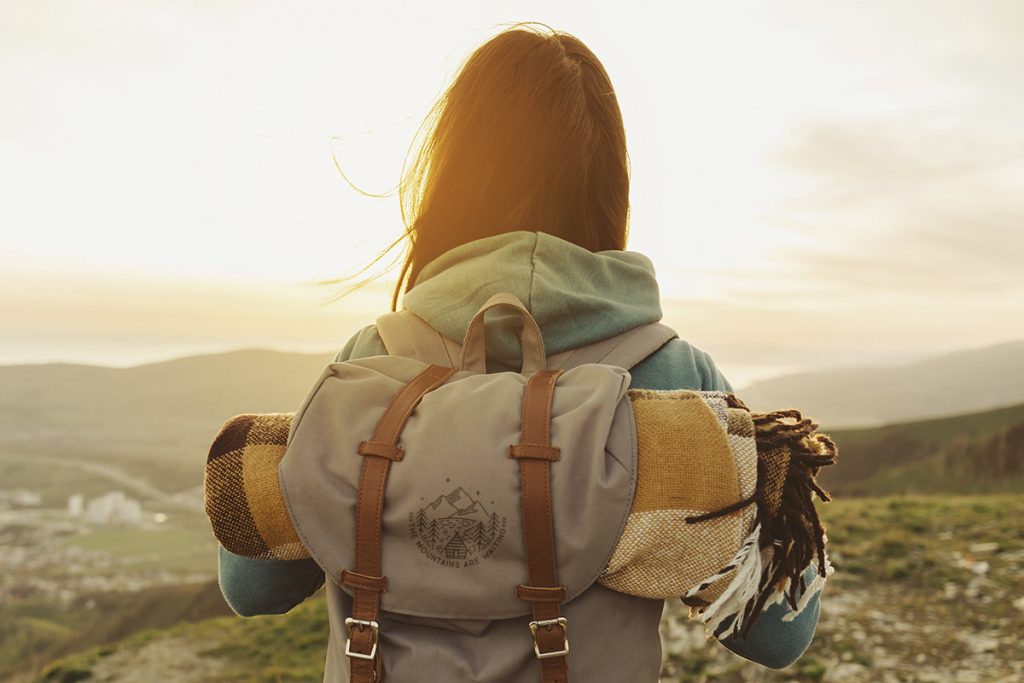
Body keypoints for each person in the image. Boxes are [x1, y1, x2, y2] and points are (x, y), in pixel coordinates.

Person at [218, 22, 822, 680]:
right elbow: (778, 631)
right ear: (610, 184)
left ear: (451, 174)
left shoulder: (372, 361)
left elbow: (252, 588)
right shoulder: (675, 376)